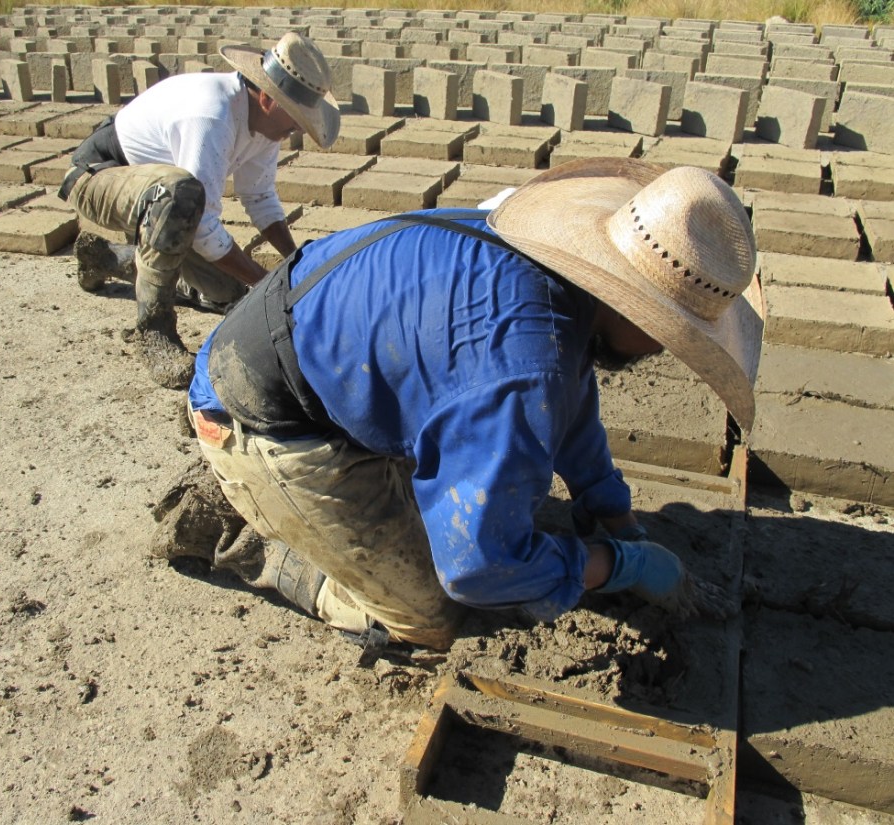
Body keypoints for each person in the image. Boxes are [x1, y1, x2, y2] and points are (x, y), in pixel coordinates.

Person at [173, 158, 764, 657]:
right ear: (631, 305)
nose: (665, 349)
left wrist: (614, 514)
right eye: (669, 333)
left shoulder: (550, 268)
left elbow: (570, 406)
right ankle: (247, 537)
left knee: (483, 498)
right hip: (261, 416)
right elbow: (477, 568)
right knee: (431, 620)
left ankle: (291, 505)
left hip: (323, 363)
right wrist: (622, 566)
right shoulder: (523, 367)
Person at [58, 32, 340, 389]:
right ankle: (154, 332)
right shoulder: (212, 113)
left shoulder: (266, 128)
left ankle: (107, 259)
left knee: (230, 294)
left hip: (165, 210)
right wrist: (264, 281)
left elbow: (259, 196)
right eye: (296, 117)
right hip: (99, 177)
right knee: (183, 195)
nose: (297, 128)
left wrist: (296, 262)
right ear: (269, 98)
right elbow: (202, 222)